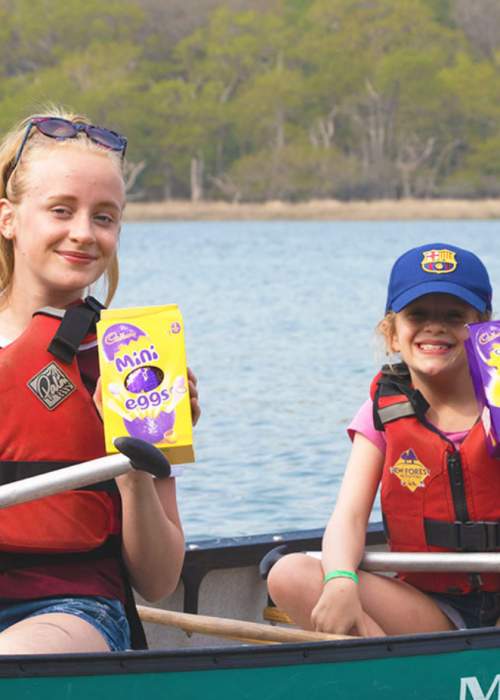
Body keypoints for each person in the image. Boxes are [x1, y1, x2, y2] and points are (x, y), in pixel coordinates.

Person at [0, 109, 200, 654]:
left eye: (105, 217)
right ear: (9, 218)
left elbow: (158, 581)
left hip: (69, 608)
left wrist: (135, 468)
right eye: (61, 210)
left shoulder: (139, 363)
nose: (84, 234)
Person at [268, 242, 500, 637]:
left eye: (454, 316)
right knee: (289, 574)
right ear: (392, 334)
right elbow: (350, 516)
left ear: (484, 328)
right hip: (431, 605)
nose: (435, 326)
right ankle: (398, 676)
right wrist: (341, 579)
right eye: (418, 315)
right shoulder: (382, 410)